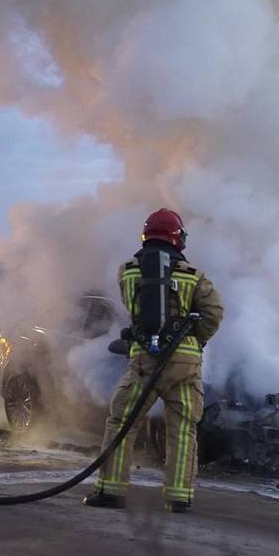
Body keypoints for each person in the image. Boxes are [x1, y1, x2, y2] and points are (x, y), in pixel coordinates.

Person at [84, 208, 224, 512]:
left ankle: (110, 491)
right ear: (178, 239)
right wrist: (194, 338)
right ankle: (178, 497)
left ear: (146, 236)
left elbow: (132, 307)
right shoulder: (193, 276)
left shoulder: (128, 271)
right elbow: (214, 313)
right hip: (186, 365)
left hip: (145, 361)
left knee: (123, 422)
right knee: (183, 428)